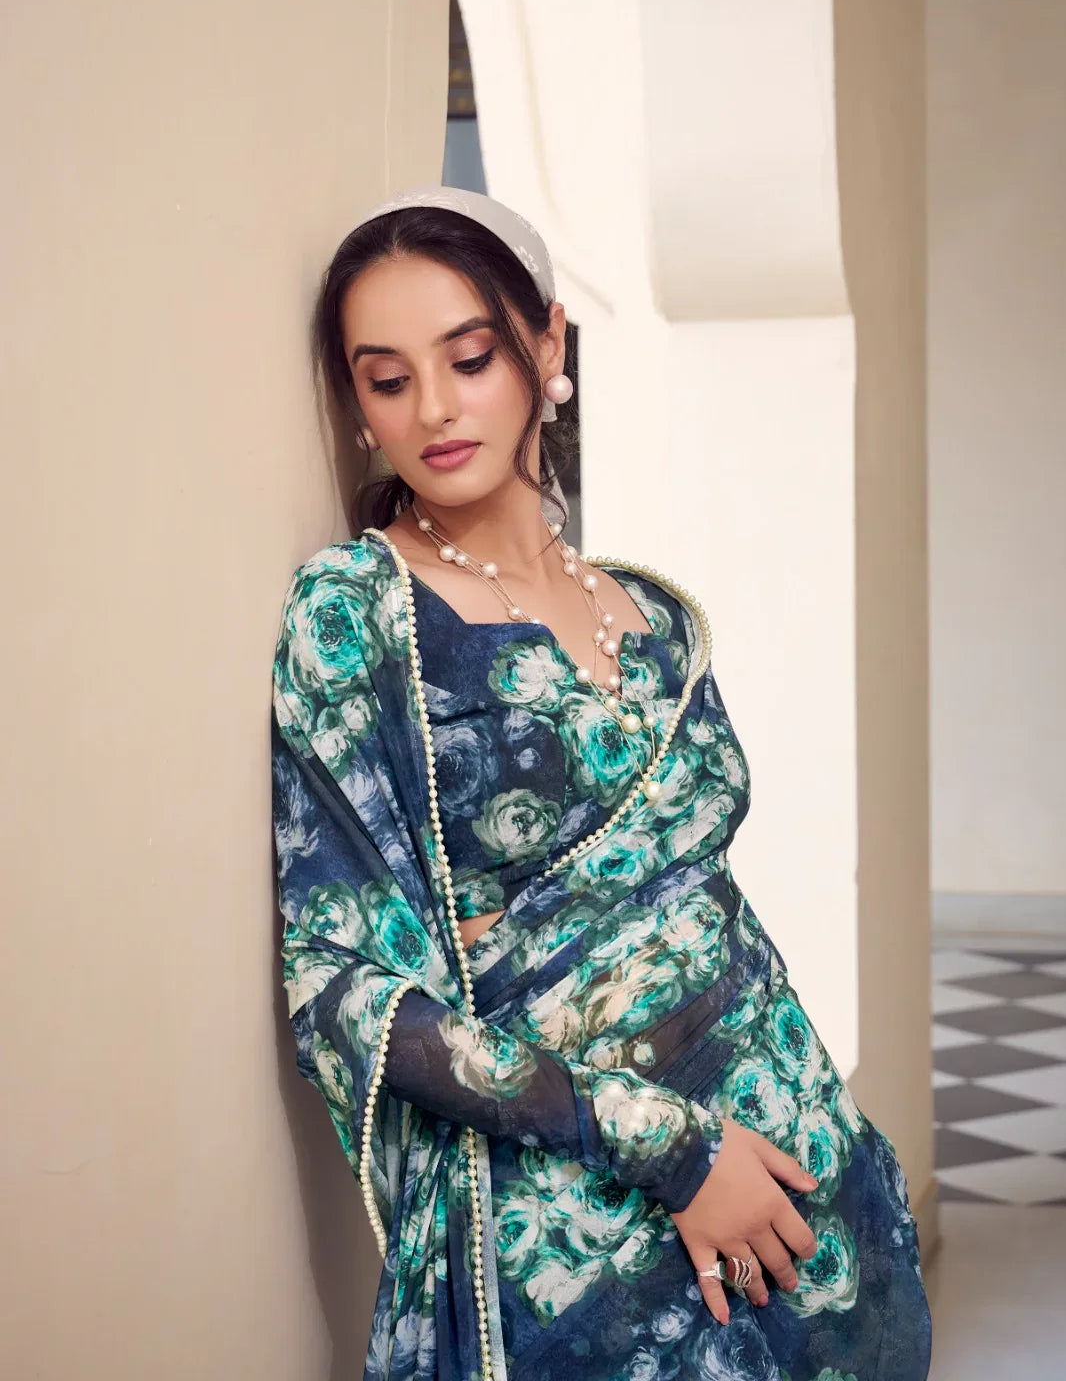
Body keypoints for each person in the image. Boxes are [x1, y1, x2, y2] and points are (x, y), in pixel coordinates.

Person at [270, 185, 933, 1381]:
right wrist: (670, 1145)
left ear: (546, 345)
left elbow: (703, 905)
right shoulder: (360, 613)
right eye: (388, 379)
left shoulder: (652, 614)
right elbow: (341, 986)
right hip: (586, 1234)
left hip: (802, 1175)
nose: (434, 408)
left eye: (470, 357)